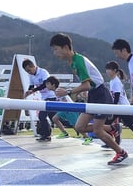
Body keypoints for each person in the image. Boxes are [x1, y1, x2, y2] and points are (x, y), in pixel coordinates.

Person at [49, 33, 128, 165]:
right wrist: (84, 92)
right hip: (93, 94)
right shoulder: (73, 61)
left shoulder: (78, 61)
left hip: (101, 95)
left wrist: (67, 91)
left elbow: (86, 84)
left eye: (56, 49)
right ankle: (112, 128)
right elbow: (88, 83)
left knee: (97, 130)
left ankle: (120, 152)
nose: (54, 53)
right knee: (80, 127)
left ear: (65, 47)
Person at [105, 61, 133, 151]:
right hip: (119, 108)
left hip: (123, 108)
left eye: (109, 69)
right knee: (106, 123)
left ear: (115, 71)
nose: (107, 71)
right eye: (107, 69)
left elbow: (116, 96)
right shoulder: (113, 81)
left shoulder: (116, 82)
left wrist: (112, 109)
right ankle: (111, 142)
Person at [22, 59, 56, 142]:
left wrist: (33, 90)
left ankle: (46, 135)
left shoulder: (43, 72)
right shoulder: (31, 76)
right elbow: (31, 86)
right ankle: (46, 134)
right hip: (44, 98)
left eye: (29, 70)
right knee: (52, 117)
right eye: (27, 71)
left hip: (51, 97)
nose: (29, 72)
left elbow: (45, 85)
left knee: (43, 116)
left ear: (33, 66)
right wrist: (28, 92)